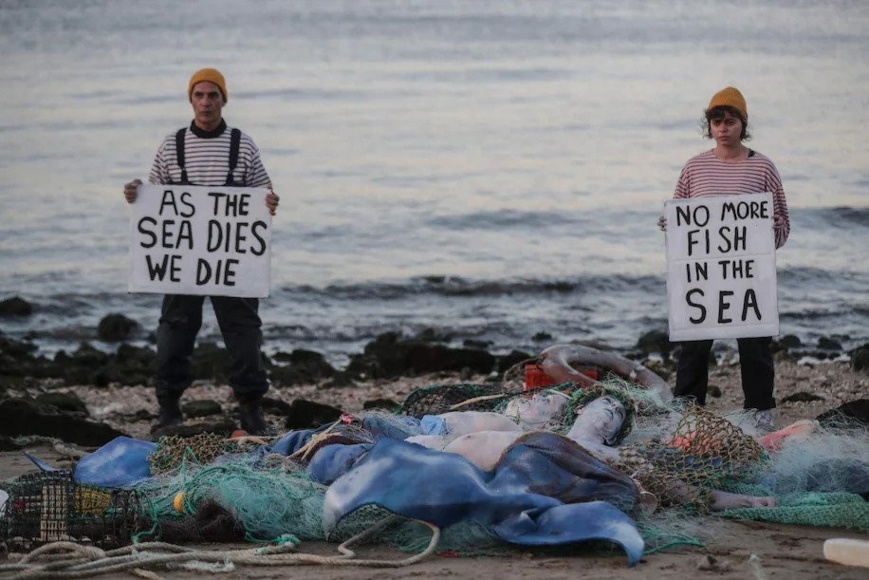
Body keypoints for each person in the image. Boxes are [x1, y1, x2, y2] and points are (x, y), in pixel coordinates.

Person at [123, 68, 281, 435]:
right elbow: (155, 199)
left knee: (244, 334)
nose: (206, 102)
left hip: (233, 261)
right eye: (200, 95)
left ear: (224, 100)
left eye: (213, 95)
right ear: (190, 100)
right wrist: (136, 193)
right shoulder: (171, 145)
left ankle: (251, 409)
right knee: (173, 333)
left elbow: (262, 192)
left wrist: (270, 201)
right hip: (183, 263)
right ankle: (168, 408)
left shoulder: (243, 144)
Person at [659, 86, 791, 433]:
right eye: (716, 121)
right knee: (694, 345)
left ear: (741, 125)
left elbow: (783, 222)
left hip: (748, 275)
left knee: (754, 344)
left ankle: (760, 412)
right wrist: (670, 225)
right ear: (710, 126)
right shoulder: (694, 167)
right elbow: (683, 218)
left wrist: (771, 231)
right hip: (704, 276)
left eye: (730, 121)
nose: (723, 128)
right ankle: (687, 412)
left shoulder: (762, 167)